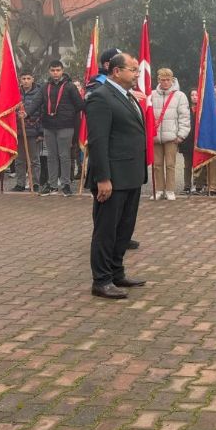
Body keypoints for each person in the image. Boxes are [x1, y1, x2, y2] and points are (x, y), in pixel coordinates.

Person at [85, 52, 147, 299]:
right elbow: (98, 141)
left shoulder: (127, 96)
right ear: (116, 71)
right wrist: (103, 178)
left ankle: (116, 271)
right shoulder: (100, 98)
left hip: (130, 174)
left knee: (124, 228)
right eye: (133, 70)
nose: (136, 75)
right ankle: (101, 280)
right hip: (112, 178)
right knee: (106, 230)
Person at [41, 60, 84, 197]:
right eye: (53, 70)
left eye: (58, 70)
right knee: (51, 156)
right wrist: (27, 113)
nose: (55, 73)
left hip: (65, 126)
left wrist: (69, 115)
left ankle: (65, 184)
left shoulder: (70, 86)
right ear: (49, 71)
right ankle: (52, 185)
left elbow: (79, 105)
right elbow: (37, 101)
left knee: (64, 156)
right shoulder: (45, 87)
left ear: (62, 70)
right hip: (49, 126)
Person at [151, 68, 190, 201]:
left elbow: (184, 117)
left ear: (172, 80)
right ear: (158, 80)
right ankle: (159, 189)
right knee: (156, 164)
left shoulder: (180, 96)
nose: (165, 82)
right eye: (163, 80)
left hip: (172, 136)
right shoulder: (152, 95)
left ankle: (170, 190)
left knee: (170, 164)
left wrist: (181, 135)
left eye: (168, 80)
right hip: (155, 136)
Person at [13, 73, 43, 192]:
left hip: (33, 130)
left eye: (28, 79)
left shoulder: (39, 93)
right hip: (18, 130)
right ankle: (20, 183)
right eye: (23, 79)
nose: (26, 81)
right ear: (20, 80)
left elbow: (42, 113)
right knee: (19, 160)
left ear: (33, 79)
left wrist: (41, 132)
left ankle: (35, 183)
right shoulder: (15, 93)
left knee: (34, 160)